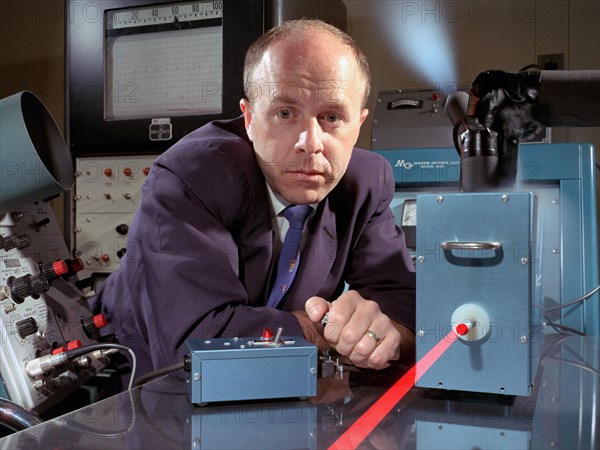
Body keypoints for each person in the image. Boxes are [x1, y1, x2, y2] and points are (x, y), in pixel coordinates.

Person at [90, 19, 416, 383]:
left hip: (274, 381)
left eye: (332, 117)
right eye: (286, 114)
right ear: (248, 119)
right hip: (126, 374)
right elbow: (200, 344)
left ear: (359, 124)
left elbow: (405, 306)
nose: (311, 142)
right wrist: (332, 330)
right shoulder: (190, 177)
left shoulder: (367, 183)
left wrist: (389, 335)